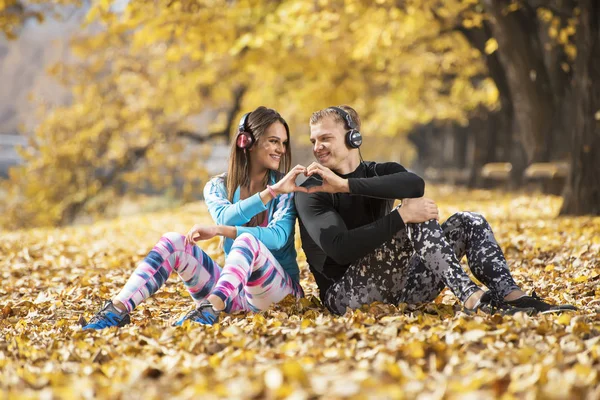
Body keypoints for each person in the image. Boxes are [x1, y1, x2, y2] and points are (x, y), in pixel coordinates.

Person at [294, 105, 576, 316]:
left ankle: (512, 297)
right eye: (314, 141)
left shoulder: (378, 172)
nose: (318, 147)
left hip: (402, 289)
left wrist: (345, 186)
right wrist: (401, 217)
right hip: (346, 297)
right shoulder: (311, 190)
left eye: (325, 139)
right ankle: (471, 298)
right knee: (413, 214)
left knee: (468, 221)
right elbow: (340, 249)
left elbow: (414, 184)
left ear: (354, 138)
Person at [83, 106, 309, 330]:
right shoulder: (218, 186)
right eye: (273, 141)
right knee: (173, 241)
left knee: (247, 241)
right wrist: (269, 193)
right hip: (234, 296)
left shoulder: (285, 189)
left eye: (283, 142)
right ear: (246, 142)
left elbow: (277, 238)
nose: (280, 149)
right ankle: (117, 309)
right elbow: (225, 216)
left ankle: (210, 309)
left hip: (280, 296)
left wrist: (222, 230)